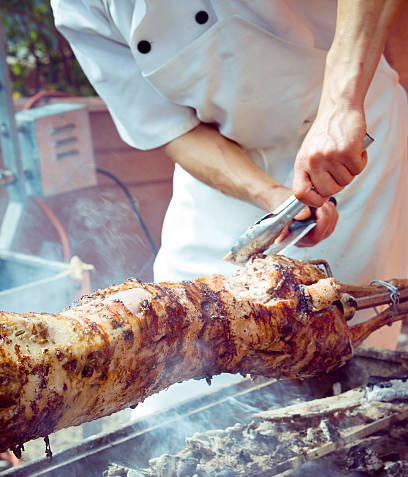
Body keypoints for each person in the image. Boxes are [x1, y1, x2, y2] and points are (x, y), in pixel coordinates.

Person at [51, 0, 408, 349]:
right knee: (175, 341)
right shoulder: (78, 7)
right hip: (224, 166)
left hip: (350, 129)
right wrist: (270, 195)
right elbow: (172, 130)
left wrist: (341, 106)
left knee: (342, 347)